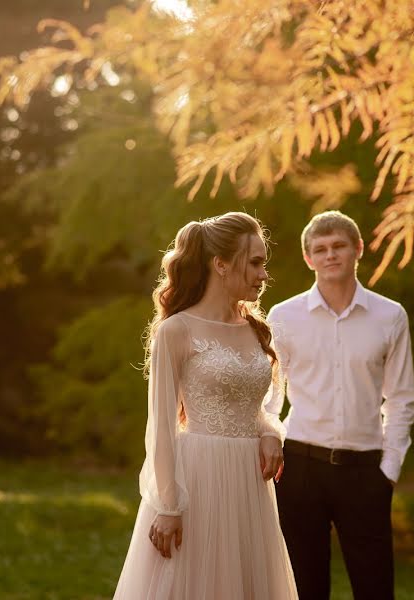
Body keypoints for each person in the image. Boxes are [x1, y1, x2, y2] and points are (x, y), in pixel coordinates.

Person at [113, 212, 298, 600]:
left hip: (249, 485)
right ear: (220, 264)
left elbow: (257, 406)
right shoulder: (175, 331)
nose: (264, 275)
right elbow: (162, 425)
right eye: (256, 263)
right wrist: (168, 504)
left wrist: (268, 432)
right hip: (197, 480)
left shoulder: (255, 328)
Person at [266, 210, 414, 600]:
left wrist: (389, 471)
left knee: (375, 587)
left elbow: (400, 398)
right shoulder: (283, 316)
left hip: (365, 471)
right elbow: (269, 394)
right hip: (299, 467)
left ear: (357, 250)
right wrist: (269, 442)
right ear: (308, 258)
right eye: (320, 249)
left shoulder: (390, 316)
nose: (330, 254)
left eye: (338, 246)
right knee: (304, 587)